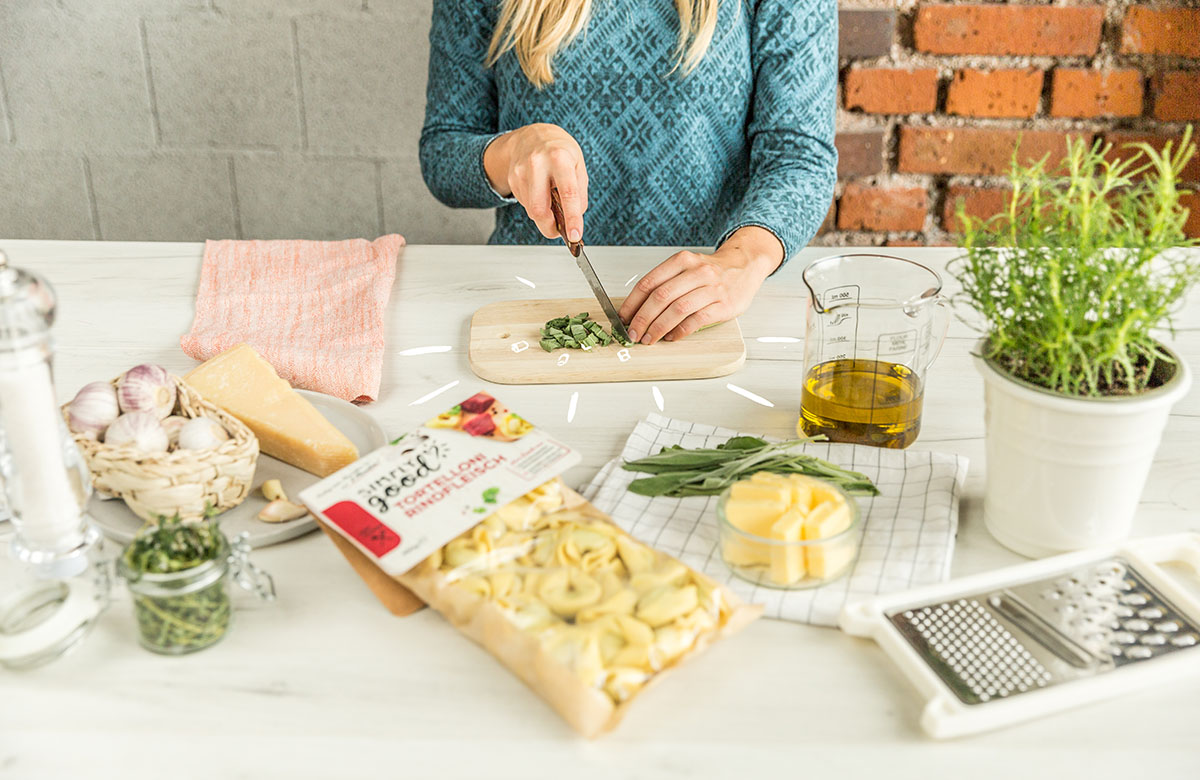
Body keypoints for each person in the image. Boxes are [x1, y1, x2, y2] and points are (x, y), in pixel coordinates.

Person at [420, 0, 837, 345]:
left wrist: (741, 261)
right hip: (531, 303)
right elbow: (442, 153)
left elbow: (799, 156)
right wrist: (511, 150)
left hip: (709, 312)